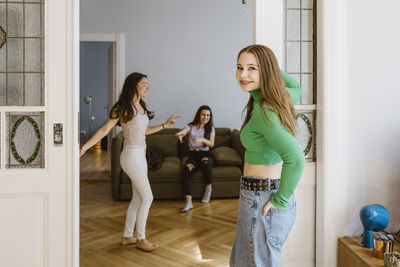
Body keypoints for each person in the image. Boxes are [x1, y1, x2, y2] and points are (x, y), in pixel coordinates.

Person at [79, 72, 179, 252]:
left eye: (148, 84)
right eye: (144, 84)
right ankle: (141, 239)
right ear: (134, 85)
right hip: (130, 156)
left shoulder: (141, 106)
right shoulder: (123, 107)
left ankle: (127, 236)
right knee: (148, 197)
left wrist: (165, 125)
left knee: (137, 198)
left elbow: (145, 131)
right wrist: (84, 148)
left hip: (140, 155)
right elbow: (104, 130)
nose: (148, 87)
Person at [229, 44, 306, 267]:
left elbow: (296, 158)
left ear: (266, 71)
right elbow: (296, 87)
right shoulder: (279, 97)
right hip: (260, 194)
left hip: (261, 197)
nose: (243, 75)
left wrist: (280, 199)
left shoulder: (265, 110)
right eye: (239, 67)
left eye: (252, 68)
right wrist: (266, 68)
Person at [175, 105, 215, 213]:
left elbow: (211, 144)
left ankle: (208, 188)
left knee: (206, 163)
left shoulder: (211, 129)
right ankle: (188, 201)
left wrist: (202, 140)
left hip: (205, 154)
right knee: (187, 170)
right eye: (203, 114)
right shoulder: (191, 126)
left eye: (207, 115)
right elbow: (180, 133)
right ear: (199, 115)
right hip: (193, 155)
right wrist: (180, 136)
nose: (205, 117)